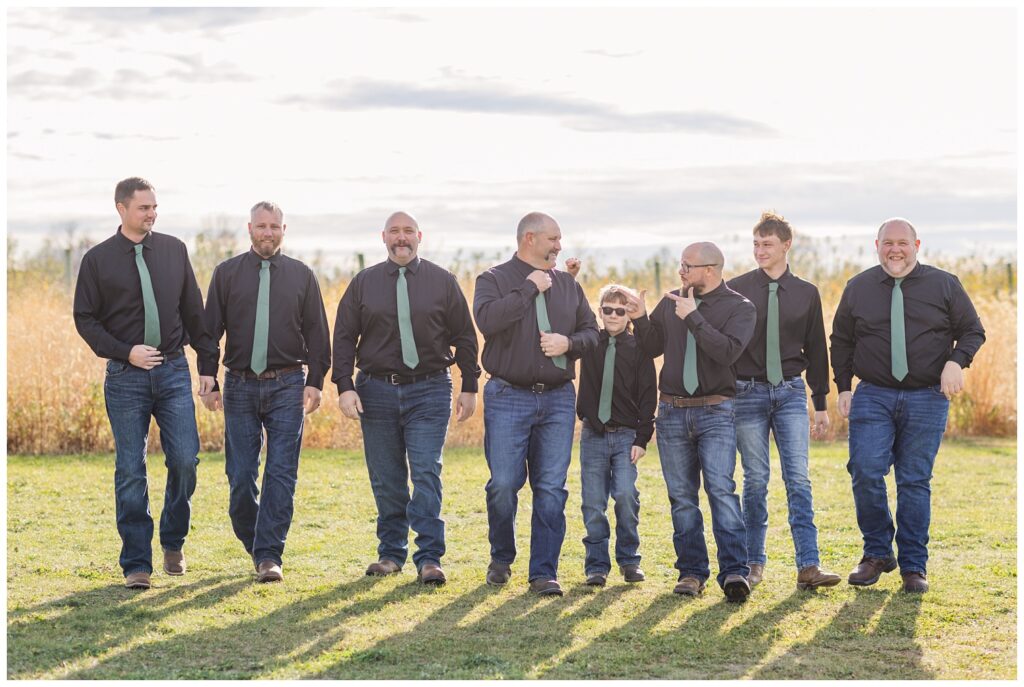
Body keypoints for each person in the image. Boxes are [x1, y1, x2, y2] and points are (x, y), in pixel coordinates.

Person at [73, 177, 217, 590]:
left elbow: (195, 314)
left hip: (173, 370)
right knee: (131, 470)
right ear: (121, 208)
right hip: (125, 377)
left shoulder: (174, 250)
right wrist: (124, 351)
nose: (151, 214)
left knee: (186, 459)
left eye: (154, 207)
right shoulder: (97, 260)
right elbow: (85, 319)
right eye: (143, 208)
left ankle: (173, 540)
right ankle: (137, 562)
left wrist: (207, 366)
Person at [830, 218, 985, 593]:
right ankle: (877, 553)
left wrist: (955, 361)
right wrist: (843, 387)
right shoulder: (859, 287)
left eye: (902, 243)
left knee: (914, 481)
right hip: (873, 394)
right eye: (888, 243)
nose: (895, 250)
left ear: (917, 244)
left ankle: (914, 566)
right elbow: (841, 340)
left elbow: (972, 331)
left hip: (928, 395)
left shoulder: (944, 284)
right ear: (877, 245)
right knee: (865, 471)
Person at [333, 211, 479, 585]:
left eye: (408, 231)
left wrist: (469, 386)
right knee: (386, 476)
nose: (402, 238)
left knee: (427, 470)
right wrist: (345, 385)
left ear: (420, 236)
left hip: (429, 388)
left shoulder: (442, 281)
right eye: (395, 232)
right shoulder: (363, 283)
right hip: (375, 390)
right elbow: (345, 336)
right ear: (383, 237)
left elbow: (464, 336)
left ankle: (429, 557)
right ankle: (391, 553)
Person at [199, 201, 331, 583]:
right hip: (239, 384)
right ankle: (257, 543)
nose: (268, 232)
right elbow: (209, 333)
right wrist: (208, 376)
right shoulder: (226, 274)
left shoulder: (302, 276)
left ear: (284, 230)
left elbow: (318, 334)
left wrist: (316, 381)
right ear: (250, 228)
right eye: (261, 226)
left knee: (281, 472)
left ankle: (270, 554)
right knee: (240, 476)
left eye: (274, 226)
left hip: (288, 383)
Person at [473, 212, 598, 596]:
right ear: (530, 238)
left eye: (559, 239)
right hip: (508, 396)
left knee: (550, 488)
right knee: (504, 484)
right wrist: (528, 289)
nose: (559, 246)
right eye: (553, 239)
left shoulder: (568, 286)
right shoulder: (493, 280)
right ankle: (501, 556)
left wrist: (569, 344)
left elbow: (591, 331)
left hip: (559, 399)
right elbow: (487, 321)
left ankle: (544, 572)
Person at [622, 241, 755, 602]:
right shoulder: (671, 301)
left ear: (710, 270)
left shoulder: (739, 308)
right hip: (672, 412)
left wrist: (693, 316)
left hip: (717, 411)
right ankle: (691, 572)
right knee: (681, 497)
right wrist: (639, 318)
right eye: (680, 265)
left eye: (687, 266)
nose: (680, 271)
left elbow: (727, 352)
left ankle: (734, 573)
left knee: (721, 491)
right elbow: (652, 348)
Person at [727, 212, 841, 591]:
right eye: (756, 244)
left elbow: (817, 348)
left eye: (767, 244)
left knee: (799, 479)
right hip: (747, 393)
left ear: (786, 245)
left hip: (791, 392)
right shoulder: (736, 289)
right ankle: (751, 563)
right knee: (755, 479)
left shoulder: (807, 292)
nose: (760, 251)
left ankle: (809, 565)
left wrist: (821, 402)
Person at [575, 281, 657, 587]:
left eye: (620, 311)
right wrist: (571, 279)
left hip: (626, 435)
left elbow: (649, 394)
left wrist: (642, 438)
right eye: (607, 310)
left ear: (628, 314)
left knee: (625, 494)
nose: (612, 316)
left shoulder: (639, 350)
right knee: (593, 502)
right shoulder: (591, 343)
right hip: (593, 434)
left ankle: (629, 560)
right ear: (599, 312)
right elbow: (573, 312)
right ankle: (596, 565)